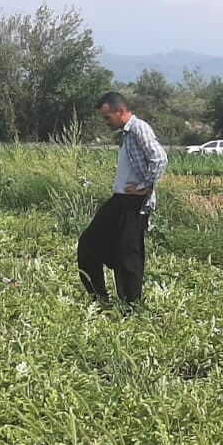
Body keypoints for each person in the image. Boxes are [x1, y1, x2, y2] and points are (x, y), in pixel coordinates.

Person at [77, 91, 168, 306]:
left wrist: (145, 187)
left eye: (107, 117)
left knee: (128, 255)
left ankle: (130, 306)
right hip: (120, 200)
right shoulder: (127, 133)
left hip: (134, 203)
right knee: (88, 245)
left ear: (120, 111)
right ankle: (99, 297)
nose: (105, 122)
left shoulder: (139, 129)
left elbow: (160, 158)